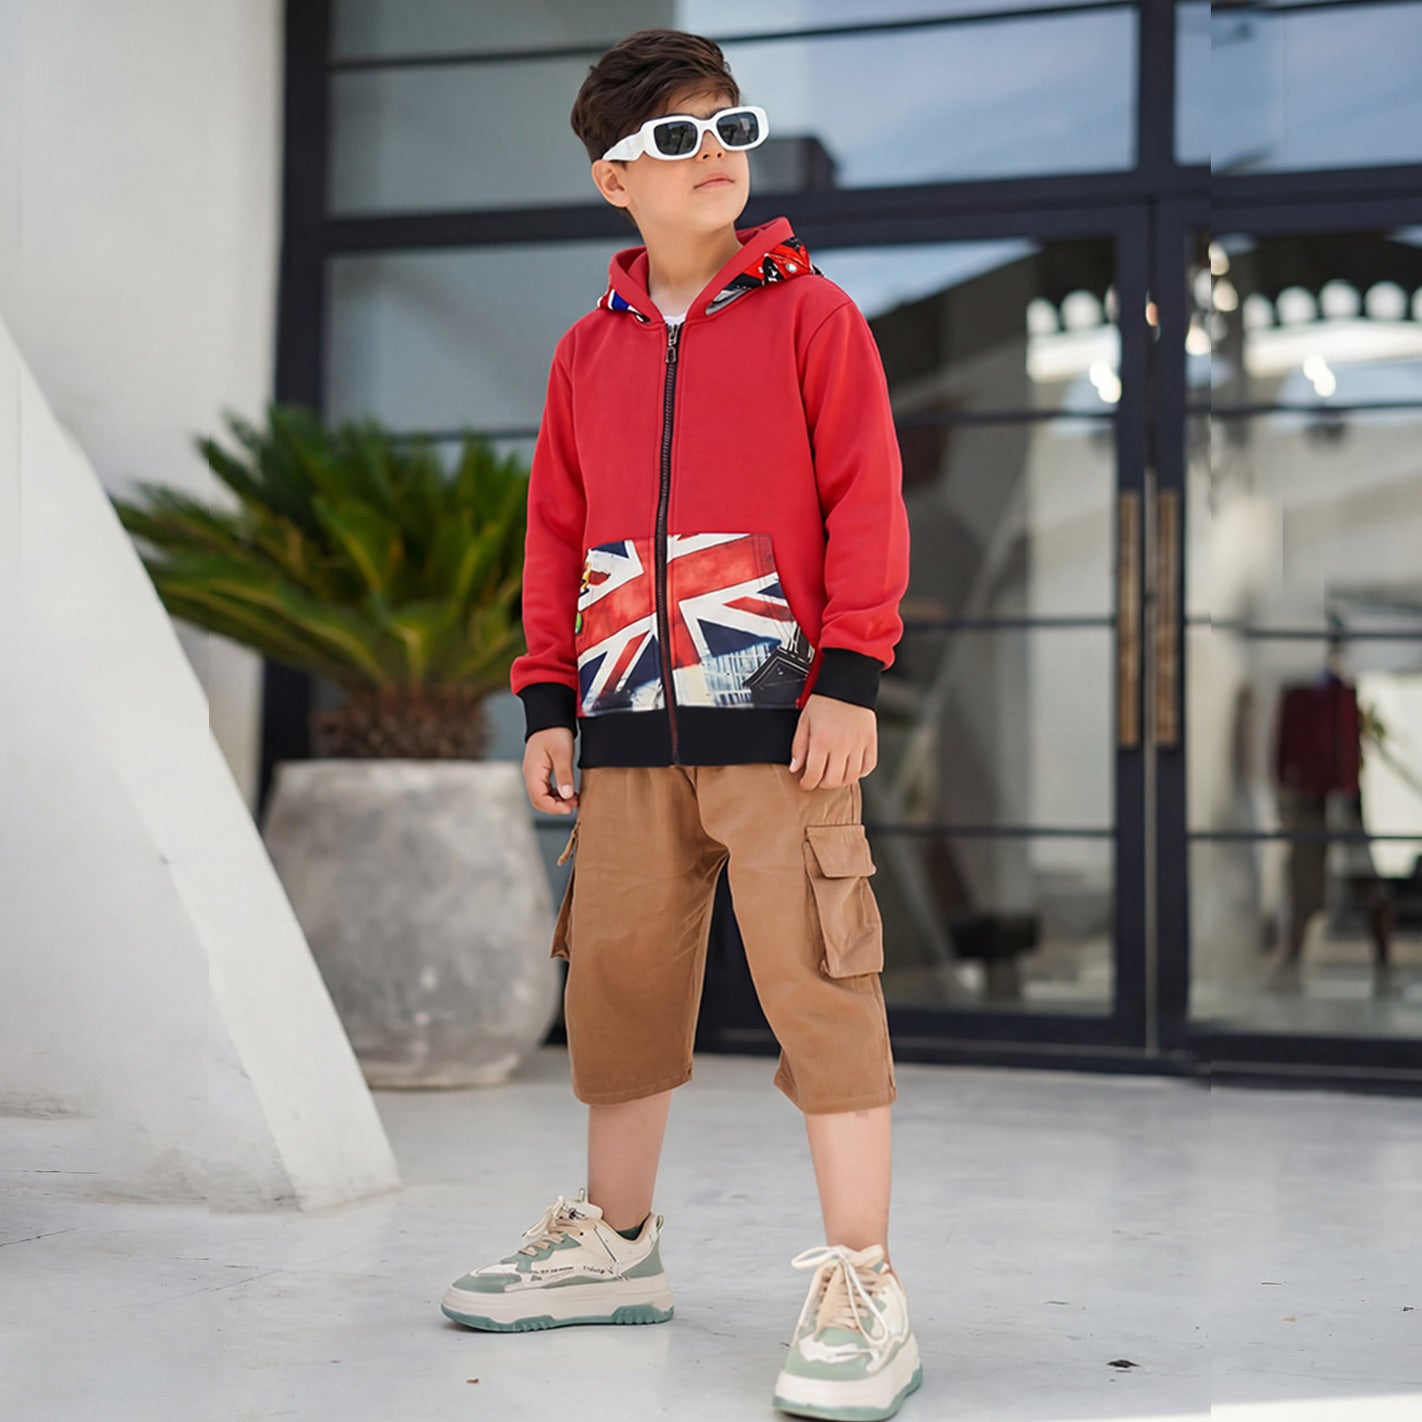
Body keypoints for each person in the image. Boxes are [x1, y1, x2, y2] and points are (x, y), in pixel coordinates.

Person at [441, 29, 918, 1421]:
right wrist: (545, 697)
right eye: (673, 139)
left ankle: (862, 1276)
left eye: (729, 127)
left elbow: (865, 502)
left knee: (821, 987)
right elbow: (555, 528)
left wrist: (850, 673)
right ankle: (615, 1242)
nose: (712, 154)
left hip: (781, 721)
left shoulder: (812, 317)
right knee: (620, 985)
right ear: (614, 180)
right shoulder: (585, 349)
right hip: (622, 728)